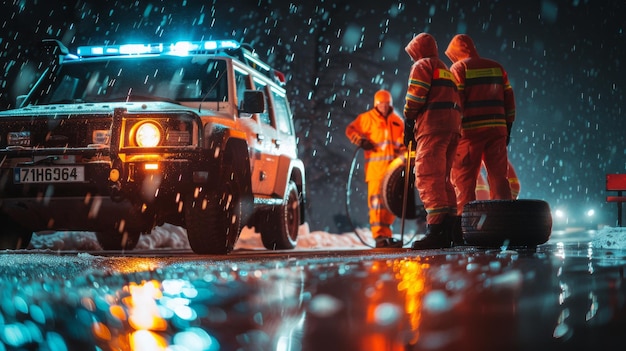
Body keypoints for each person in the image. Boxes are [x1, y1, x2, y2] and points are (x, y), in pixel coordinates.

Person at [445, 34, 516, 243]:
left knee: (464, 181)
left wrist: (453, 131)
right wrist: (508, 125)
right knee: (499, 178)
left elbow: (456, 102)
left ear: (456, 52)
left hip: (470, 132)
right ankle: (503, 226)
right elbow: (509, 99)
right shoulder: (496, 67)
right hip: (497, 130)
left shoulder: (459, 69)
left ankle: (465, 230)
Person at [403, 33, 462, 249]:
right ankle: (451, 228)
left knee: (428, 176)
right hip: (452, 129)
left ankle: (436, 230)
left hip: (433, 127)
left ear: (417, 50)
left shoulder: (422, 65)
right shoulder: (446, 69)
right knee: (444, 179)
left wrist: (409, 118)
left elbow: (416, 96)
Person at [345, 89, 406, 248]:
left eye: (386, 104)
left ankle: (387, 234)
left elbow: (403, 145)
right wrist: (360, 140)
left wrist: (405, 159)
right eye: (381, 104)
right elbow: (350, 130)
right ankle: (379, 236)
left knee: (389, 204)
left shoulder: (398, 122)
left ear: (390, 104)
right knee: (376, 204)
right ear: (376, 104)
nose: (384, 107)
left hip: (393, 171)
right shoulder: (367, 119)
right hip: (375, 170)